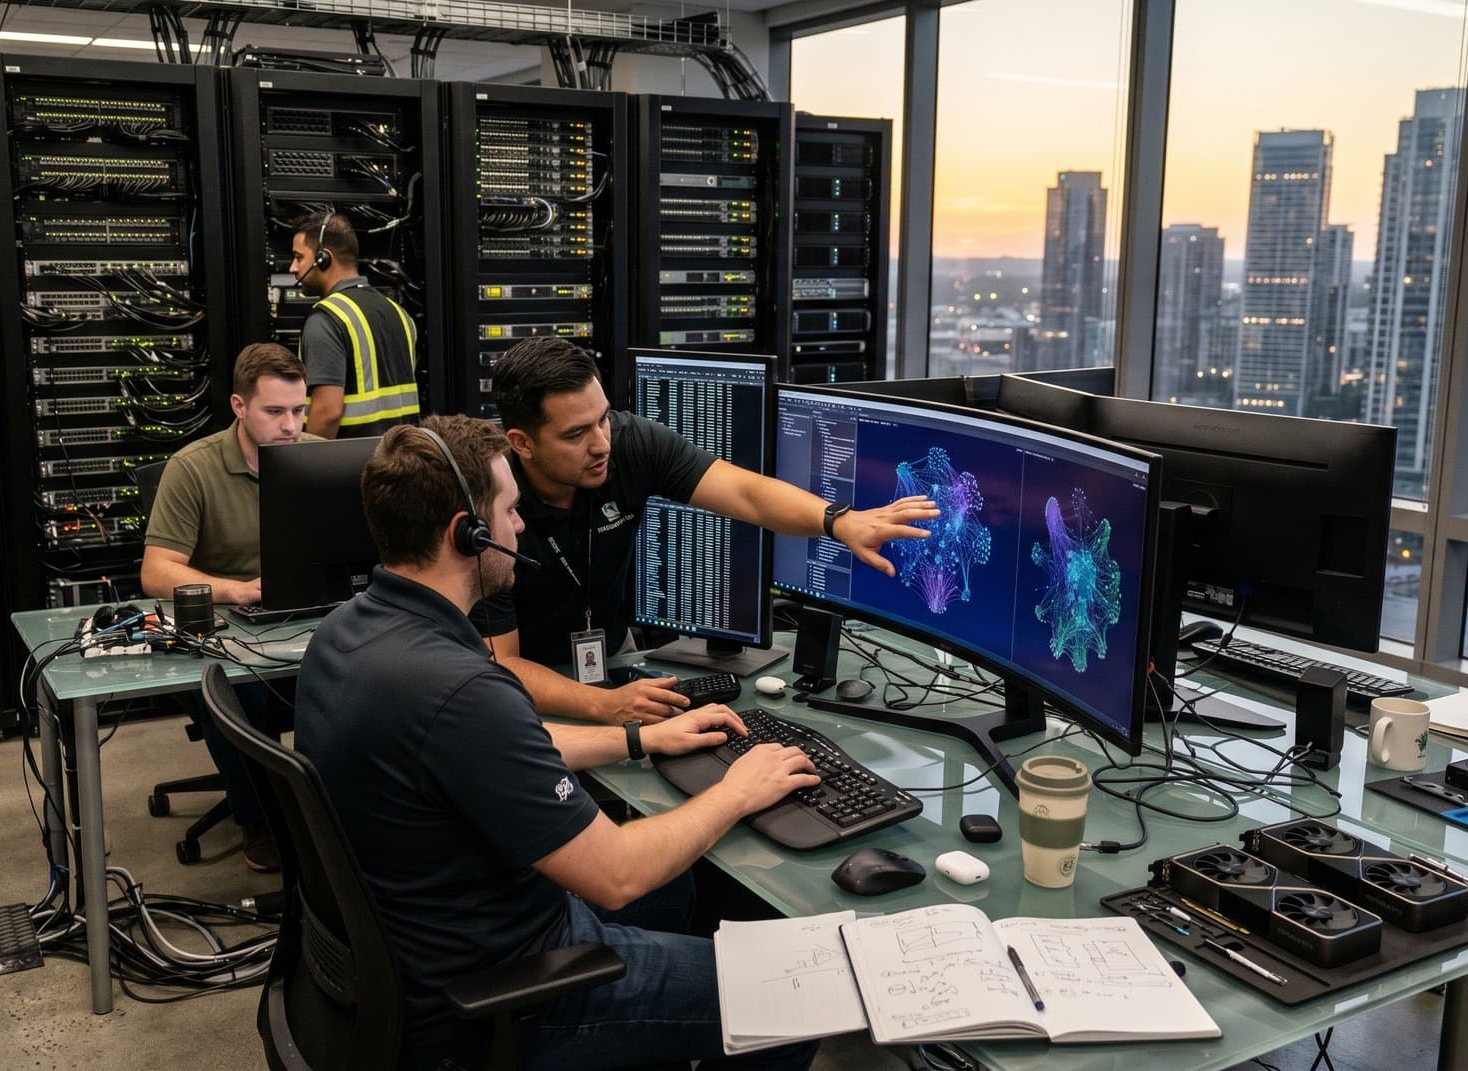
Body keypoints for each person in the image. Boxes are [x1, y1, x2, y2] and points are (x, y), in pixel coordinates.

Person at [293, 414, 821, 1071]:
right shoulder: (462, 691)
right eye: (511, 512)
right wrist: (737, 791)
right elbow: (617, 873)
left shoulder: (349, 633)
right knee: (797, 995)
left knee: (682, 886)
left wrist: (635, 737)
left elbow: (491, 752)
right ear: (469, 533)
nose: (519, 529)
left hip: (423, 948)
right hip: (501, 997)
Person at [475, 337, 939, 725]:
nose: (601, 444)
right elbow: (502, 664)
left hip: (612, 655)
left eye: (602, 419)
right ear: (522, 443)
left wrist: (838, 520)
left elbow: (745, 493)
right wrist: (605, 704)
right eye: (576, 434)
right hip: (523, 682)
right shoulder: (492, 504)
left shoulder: (630, 442)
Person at [142, 341, 319, 871]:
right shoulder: (192, 469)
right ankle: (261, 822)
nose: (291, 426)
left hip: (306, 626)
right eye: (275, 412)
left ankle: (333, 814)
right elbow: (156, 572)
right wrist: (237, 590)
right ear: (240, 408)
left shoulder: (315, 456)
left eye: (298, 410)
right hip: (228, 636)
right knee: (244, 697)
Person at [288, 210, 421, 439]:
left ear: (323, 258)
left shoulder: (326, 319)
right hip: (403, 461)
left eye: (299, 257)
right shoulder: (398, 313)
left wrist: (308, 469)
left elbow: (328, 412)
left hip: (351, 467)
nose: (292, 267)